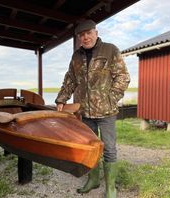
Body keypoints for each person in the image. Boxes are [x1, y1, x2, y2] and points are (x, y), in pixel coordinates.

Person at [55, 19, 130, 198]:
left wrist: (111, 99)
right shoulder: (76, 57)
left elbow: (123, 77)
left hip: (107, 112)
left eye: (88, 33)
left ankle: (111, 188)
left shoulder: (110, 50)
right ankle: (93, 180)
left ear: (96, 32)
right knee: (89, 148)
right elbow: (70, 80)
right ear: (79, 38)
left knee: (109, 149)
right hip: (85, 112)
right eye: (82, 35)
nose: (85, 37)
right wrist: (61, 99)